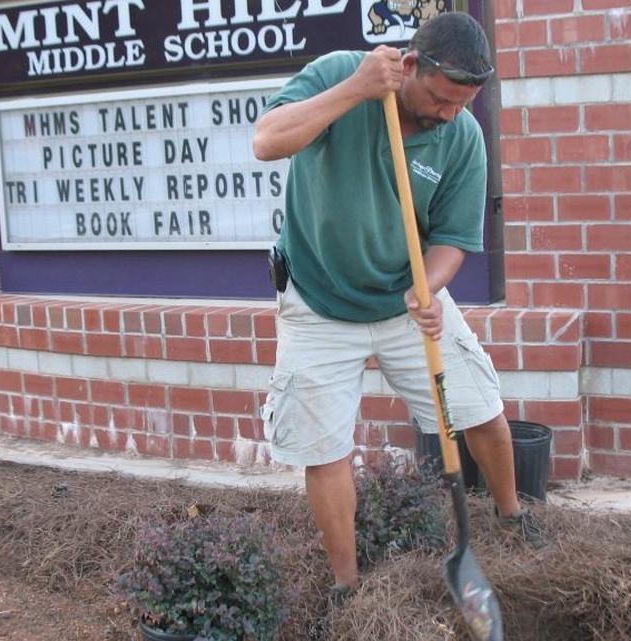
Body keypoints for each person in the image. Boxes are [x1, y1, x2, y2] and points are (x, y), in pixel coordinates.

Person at [252, 12, 541, 596]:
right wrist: (357, 89)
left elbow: (454, 239)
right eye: (440, 98)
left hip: (406, 303)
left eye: (463, 103)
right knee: (324, 448)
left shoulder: (462, 137)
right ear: (409, 66)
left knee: (481, 407)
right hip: (318, 299)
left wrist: (426, 288)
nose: (449, 113)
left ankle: (513, 519)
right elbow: (267, 141)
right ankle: (347, 586)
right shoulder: (342, 74)